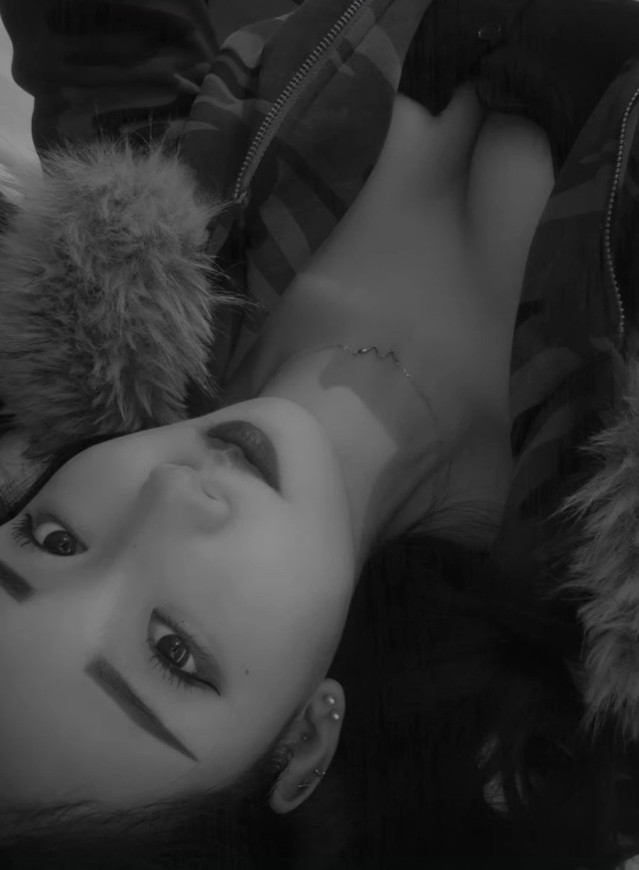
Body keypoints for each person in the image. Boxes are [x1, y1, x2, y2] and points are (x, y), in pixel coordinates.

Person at [0, 0, 638, 867]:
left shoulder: (133, 289)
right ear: (303, 741)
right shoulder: (599, 549)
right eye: (173, 650)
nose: (166, 494)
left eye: (53, 540)